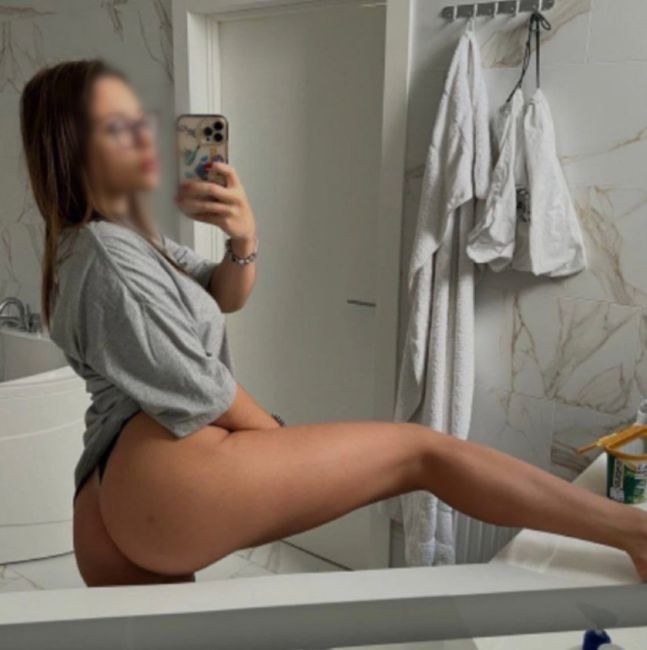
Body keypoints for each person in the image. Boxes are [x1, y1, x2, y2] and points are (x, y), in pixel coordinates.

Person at [19, 59, 647, 587]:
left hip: (118, 489)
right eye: (118, 125)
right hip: (162, 477)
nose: (145, 135)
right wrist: (273, 438)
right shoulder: (110, 255)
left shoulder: (113, 240)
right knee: (423, 451)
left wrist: (244, 236)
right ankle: (634, 533)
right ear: (72, 146)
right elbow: (204, 389)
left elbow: (224, 294)